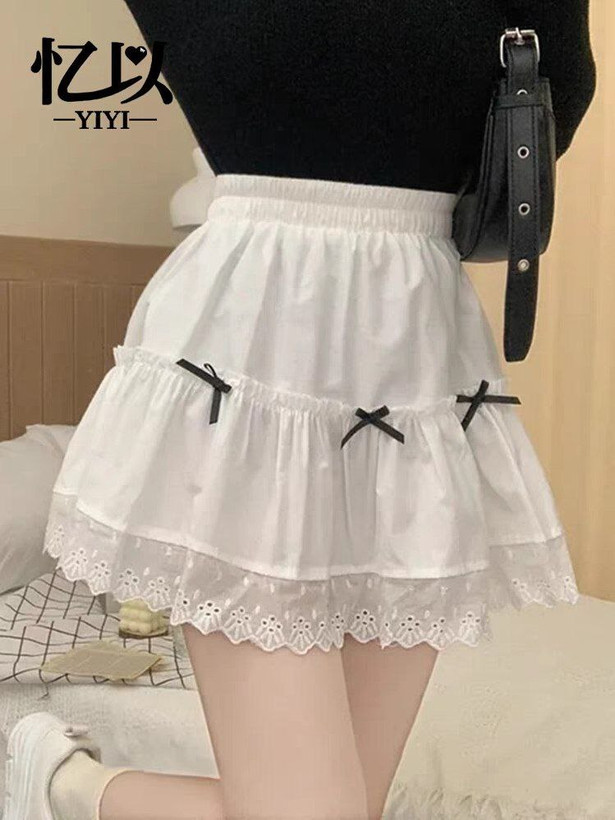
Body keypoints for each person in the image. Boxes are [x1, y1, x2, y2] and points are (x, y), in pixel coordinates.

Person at [4, 2, 596, 819]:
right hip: (251, 346)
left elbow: (556, 99)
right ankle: (60, 784)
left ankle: (62, 785)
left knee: (342, 803)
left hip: (420, 356)